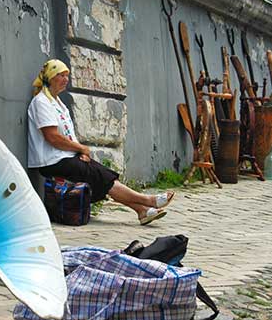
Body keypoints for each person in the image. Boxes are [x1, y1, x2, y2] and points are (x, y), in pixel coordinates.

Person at [27, 59, 174, 225]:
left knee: (103, 175)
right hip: (51, 160)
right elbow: (52, 137)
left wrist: (80, 152)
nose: (66, 79)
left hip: (65, 156)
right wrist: (81, 148)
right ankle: (148, 200)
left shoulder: (58, 103)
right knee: (101, 177)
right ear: (51, 77)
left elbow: (67, 136)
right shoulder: (41, 102)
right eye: (61, 75)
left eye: (67, 75)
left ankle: (142, 211)